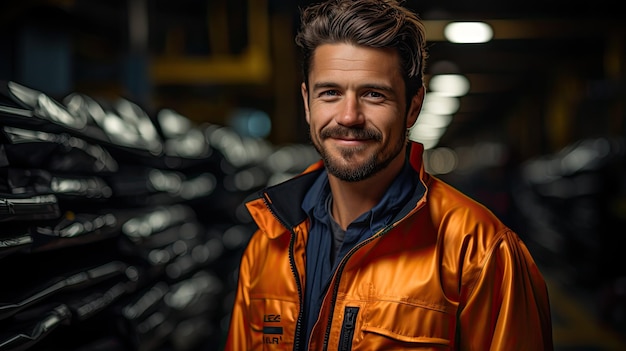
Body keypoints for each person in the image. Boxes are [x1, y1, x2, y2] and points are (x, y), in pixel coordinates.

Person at [224, 0, 554, 349]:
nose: (349, 116)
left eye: (373, 94)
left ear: (413, 106)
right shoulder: (269, 244)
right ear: (308, 103)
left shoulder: (480, 252)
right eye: (330, 93)